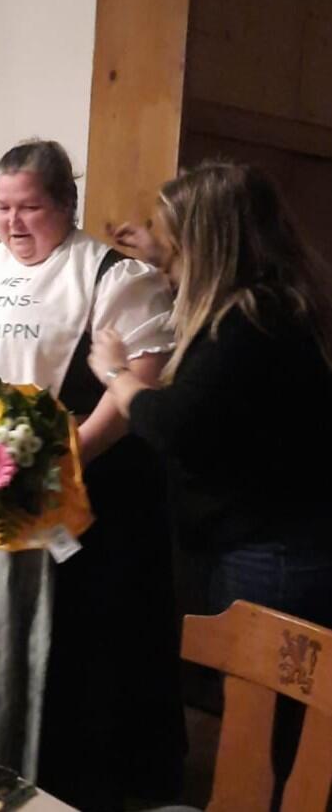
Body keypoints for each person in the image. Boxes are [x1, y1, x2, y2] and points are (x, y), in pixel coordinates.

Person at [0, 140, 186, 811]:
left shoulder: (113, 275)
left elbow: (135, 385)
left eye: (30, 208)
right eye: (2, 208)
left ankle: (2, 763)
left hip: (37, 491)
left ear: (65, 204)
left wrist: (58, 464)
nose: (13, 222)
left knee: (13, 637)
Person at [90, 161, 332, 809]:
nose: (169, 255)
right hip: (279, 544)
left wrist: (116, 375)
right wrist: (154, 256)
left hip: (272, 555)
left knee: (269, 737)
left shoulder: (248, 321)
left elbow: (175, 424)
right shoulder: (280, 300)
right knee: (276, 728)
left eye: (176, 241)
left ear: (209, 240)